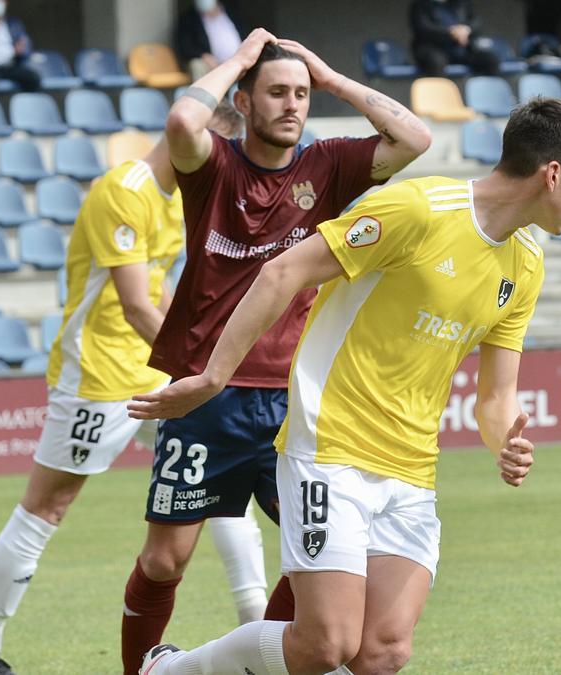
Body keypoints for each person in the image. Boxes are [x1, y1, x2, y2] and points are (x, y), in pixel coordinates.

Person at [131, 96, 561, 675]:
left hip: (411, 471)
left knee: (383, 652)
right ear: (552, 174)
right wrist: (212, 376)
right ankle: (170, 672)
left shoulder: (526, 265)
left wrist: (503, 441)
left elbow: (494, 397)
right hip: (329, 450)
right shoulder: (418, 208)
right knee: (324, 645)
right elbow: (284, 271)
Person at [117, 28, 434, 675]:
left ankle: (257, 664)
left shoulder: (327, 166)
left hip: (298, 404)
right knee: (164, 560)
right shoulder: (212, 166)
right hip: (208, 390)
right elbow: (182, 117)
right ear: (244, 99)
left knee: (317, 561)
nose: (293, 104)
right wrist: (242, 53)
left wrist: (330, 74)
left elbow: (415, 139)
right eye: (277, 92)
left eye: (300, 93)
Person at [0, 102, 261, 675]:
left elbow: (162, 300)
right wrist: (207, 366)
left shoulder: (173, 202)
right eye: (214, 154)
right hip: (96, 376)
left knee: (221, 480)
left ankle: (259, 629)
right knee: (49, 504)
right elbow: (135, 304)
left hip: (152, 370)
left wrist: (206, 355)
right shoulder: (124, 191)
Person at [408, 0, 501, 77]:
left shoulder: (461, 3)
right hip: (432, 49)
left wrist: (466, 29)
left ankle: (488, 95)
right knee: (436, 62)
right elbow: (423, 28)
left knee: (490, 60)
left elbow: (477, 22)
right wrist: (452, 33)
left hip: (461, 49)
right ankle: (439, 97)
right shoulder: (420, 5)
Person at [176, 0, 248, 81]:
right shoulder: (188, 18)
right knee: (197, 65)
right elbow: (186, 46)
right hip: (211, 64)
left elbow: (246, 35)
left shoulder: (233, 12)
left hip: (239, 61)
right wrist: (203, 55)